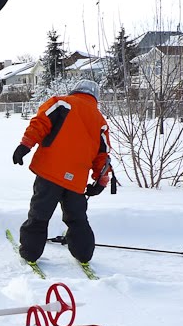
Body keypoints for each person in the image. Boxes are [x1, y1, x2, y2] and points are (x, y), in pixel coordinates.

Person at [12, 79, 112, 264]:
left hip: (50, 172)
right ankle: (83, 254)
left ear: (75, 89)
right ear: (96, 97)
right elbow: (103, 155)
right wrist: (100, 182)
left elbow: (40, 123)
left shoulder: (62, 102)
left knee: (39, 214)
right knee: (77, 218)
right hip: (76, 180)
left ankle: (30, 252)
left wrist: (25, 145)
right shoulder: (100, 122)